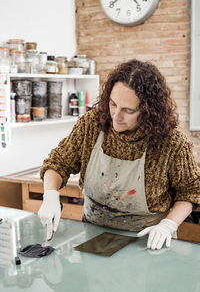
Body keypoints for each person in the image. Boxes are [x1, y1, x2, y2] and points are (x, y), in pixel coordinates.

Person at [38, 59, 200, 250]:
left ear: (148, 111)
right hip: (94, 239)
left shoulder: (172, 142)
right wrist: (50, 194)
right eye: (113, 104)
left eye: (128, 110)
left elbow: (191, 191)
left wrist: (168, 224)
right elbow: (58, 163)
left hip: (148, 244)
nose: (116, 116)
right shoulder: (92, 124)